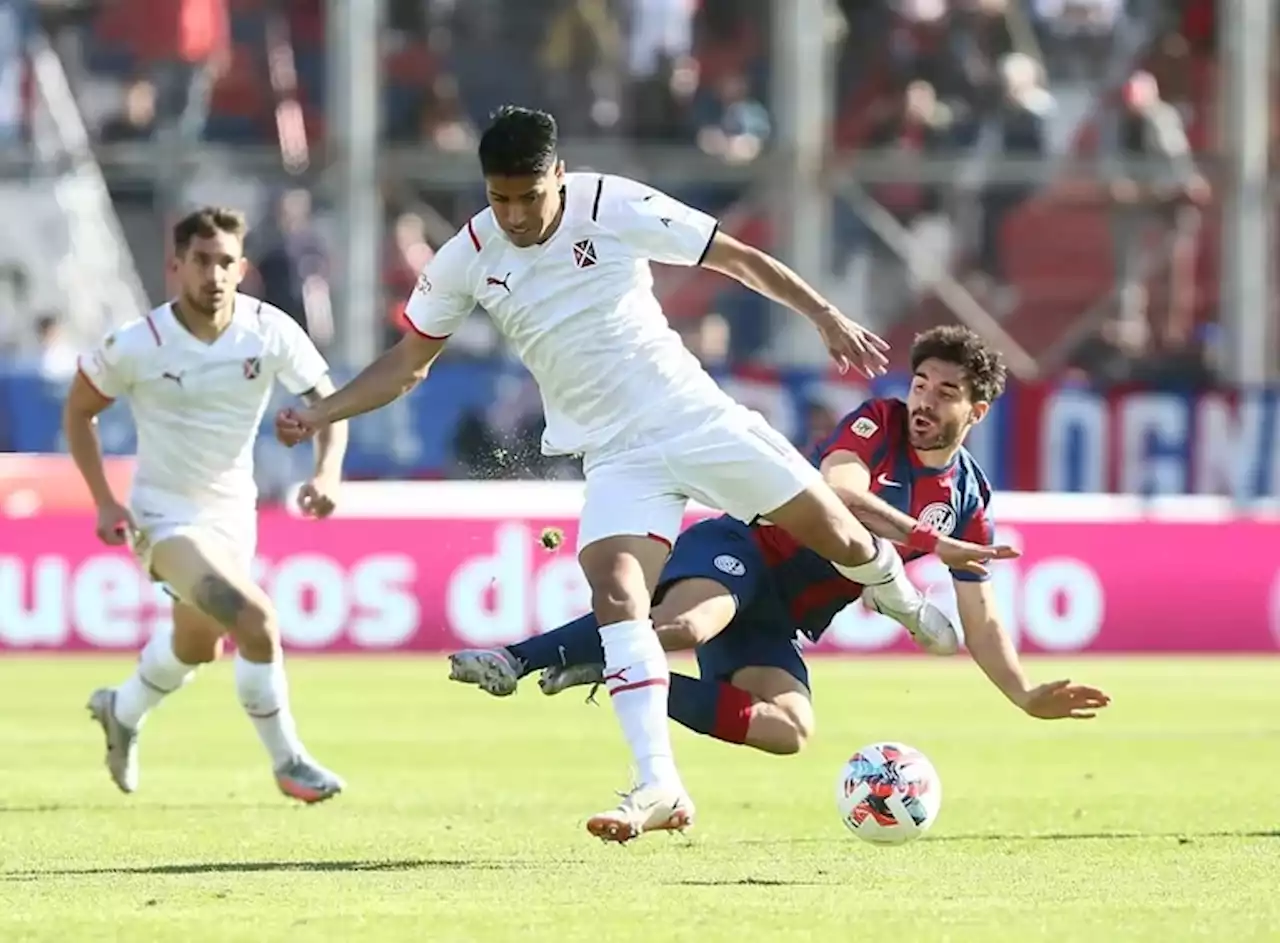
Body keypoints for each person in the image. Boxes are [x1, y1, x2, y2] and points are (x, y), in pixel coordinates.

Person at [274, 107, 1009, 843]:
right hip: (615, 454)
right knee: (618, 593)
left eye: (530, 196)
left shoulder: (611, 204)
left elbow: (734, 257)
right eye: (500, 199)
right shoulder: (467, 255)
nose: (517, 215)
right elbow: (408, 363)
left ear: (558, 176)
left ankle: (899, 596)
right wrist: (325, 409)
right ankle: (658, 783)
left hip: (694, 417)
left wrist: (822, 315)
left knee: (841, 535)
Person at [452, 327, 1112, 752]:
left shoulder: (969, 496)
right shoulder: (877, 422)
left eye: (946, 393)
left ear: (978, 410)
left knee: (790, 730)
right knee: (686, 625)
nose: (925, 402)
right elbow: (839, 491)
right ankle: (516, 657)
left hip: (782, 617)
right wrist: (926, 543)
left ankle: (619, 671)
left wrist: (1023, 692)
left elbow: (981, 613)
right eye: (920, 384)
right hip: (742, 550)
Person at [64, 207, 349, 803]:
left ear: (242, 268)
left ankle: (122, 708)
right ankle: (288, 762)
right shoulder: (137, 343)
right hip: (162, 520)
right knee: (255, 621)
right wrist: (103, 501)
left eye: (225, 262)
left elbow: (328, 406)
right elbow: (79, 410)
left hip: (231, 519)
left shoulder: (269, 330)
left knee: (196, 645)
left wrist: (327, 473)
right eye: (201, 261)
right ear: (176, 267)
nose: (214, 275)